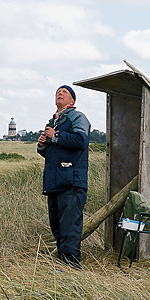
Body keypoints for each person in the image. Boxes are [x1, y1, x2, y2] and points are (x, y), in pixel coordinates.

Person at [37, 85, 90, 267]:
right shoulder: (53, 122)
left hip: (71, 182)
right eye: (57, 92)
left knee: (70, 228)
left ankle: (72, 268)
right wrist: (43, 145)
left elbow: (80, 141)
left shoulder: (77, 117)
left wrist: (55, 135)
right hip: (54, 182)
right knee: (57, 227)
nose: (60, 93)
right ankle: (62, 267)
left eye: (64, 92)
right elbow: (54, 154)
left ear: (72, 100)